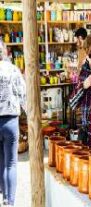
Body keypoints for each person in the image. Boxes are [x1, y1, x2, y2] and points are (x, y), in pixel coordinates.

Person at [0, 40, 26, 207]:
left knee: (0, 162)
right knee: (11, 163)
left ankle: (3, 197)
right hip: (10, 121)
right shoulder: (12, 69)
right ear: (4, 51)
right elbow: (23, 93)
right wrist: (30, 116)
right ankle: (10, 202)